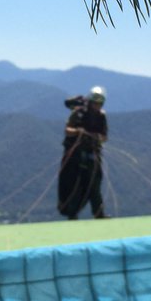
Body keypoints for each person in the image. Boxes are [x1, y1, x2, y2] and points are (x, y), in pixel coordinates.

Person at [57, 86, 109, 219]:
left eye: (99, 102)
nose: (97, 105)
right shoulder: (79, 113)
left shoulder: (102, 116)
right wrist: (80, 132)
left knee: (94, 183)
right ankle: (72, 214)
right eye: (95, 102)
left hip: (93, 153)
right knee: (75, 184)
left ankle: (99, 213)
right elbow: (68, 130)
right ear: (90, 101)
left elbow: (104, 137)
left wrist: (96, 137)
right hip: (75, 155)